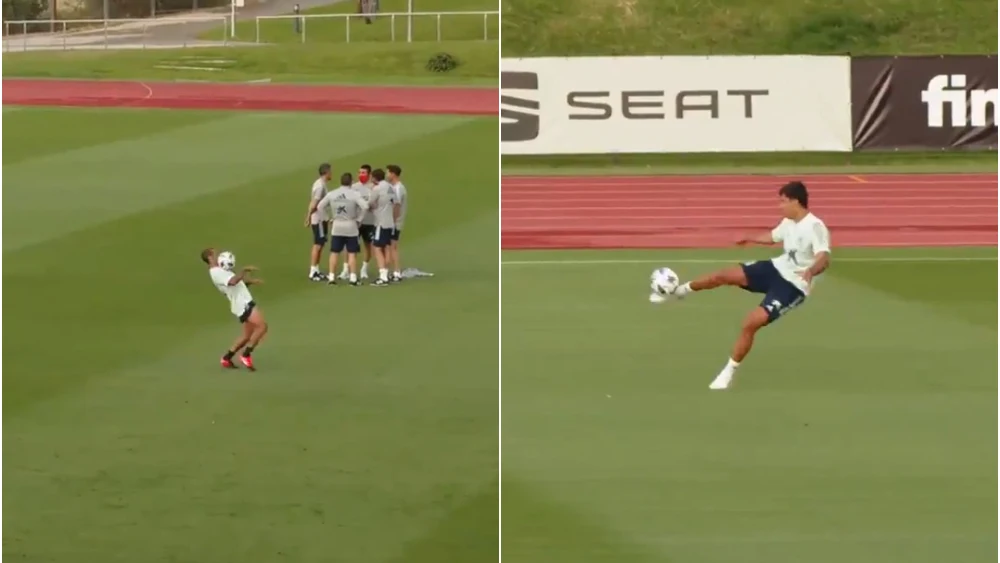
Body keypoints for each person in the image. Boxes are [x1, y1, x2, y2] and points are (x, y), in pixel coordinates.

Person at [666, 181, 831, 390]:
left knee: (750, 323)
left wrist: (811, 271)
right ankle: (681, 290)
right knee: (723, 275)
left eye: (783, 202)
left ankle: (729, 371)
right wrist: (750, 238)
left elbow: (823, 258)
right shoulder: (788, 222)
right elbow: (773, 237)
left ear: (796, 201)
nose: (779, 206)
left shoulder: (815, 226)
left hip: (794, 285)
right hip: (776, 268)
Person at [202, 248, 268, 371]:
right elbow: (232, 282)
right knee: (262, 327)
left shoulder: (220, 270)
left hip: (242, 302)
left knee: (246, 336)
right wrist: (243, 270)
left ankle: (227, 358)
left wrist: (251, 282)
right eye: (215, 254)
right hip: (243, 303)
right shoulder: (216, 272)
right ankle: (246, 355)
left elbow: (235, 284)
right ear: (210, 257)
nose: (218, 255)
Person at [311, 172, 370, 285]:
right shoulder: (354, 194)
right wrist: (359, 219)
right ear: (351, 182)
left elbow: (319, 206)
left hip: (337, 225)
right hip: (351, 225)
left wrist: (328, 218)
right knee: (352, 253)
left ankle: (331, 277)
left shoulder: (333, 194)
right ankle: (353, 278)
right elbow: (365, 206)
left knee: (334, 252)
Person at [339, 164, 376, 281]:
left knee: (368, 245)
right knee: (349, 246)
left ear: (369, 174)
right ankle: (345, 270)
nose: (361, 175)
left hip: (370, 221)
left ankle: (364, 269)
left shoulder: (374, 187)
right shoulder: (354, 187)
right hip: (355, 222)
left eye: (364, 173)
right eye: (360, 173)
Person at [367, 168, 396, 287]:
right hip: (389, 221)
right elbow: (395, 203)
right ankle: (385, 274)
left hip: (380, 222)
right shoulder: (390, 187)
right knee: (386, 247)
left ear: (374, 178)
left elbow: (369, 203)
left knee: (377, 247)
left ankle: (383, 276)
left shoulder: (377, 188)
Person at [304, 163, 333, 282]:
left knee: (320, 244)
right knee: (318, 244)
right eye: (330, 171)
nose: (332, 174)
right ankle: (313, 271)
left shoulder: (320, 183)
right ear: (326, 172)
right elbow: (314, 203)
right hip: (319, 219)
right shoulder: (320, 186)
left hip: (321, 218)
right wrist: (308, 217)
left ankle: (316, 269)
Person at [386, 164, 408, 282]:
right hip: (393, 222)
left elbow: (397, 205)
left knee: (392, 247)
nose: (387, 175)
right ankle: (390, 271)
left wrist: (392, 221)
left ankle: (396, 272)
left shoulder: (398, 188)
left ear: (393, 174)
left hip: (395, 222)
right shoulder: (393, 187)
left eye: (388, 172)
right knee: (389, 246)